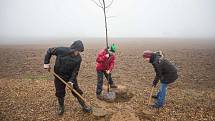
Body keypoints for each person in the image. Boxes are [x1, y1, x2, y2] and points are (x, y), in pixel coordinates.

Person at [44, 40, 91, 115]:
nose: (77, 53)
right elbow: (49, 51)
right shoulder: (62, 50)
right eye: (77, 51)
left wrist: (71, 81)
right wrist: (46, 63)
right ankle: (61, 108)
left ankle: (84, 106)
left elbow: (75, 71)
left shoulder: (78, 58)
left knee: (77, 91)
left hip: (70, 77)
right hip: (59, 76)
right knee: (60, 92)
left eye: (79, 51)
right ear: (73, 48)